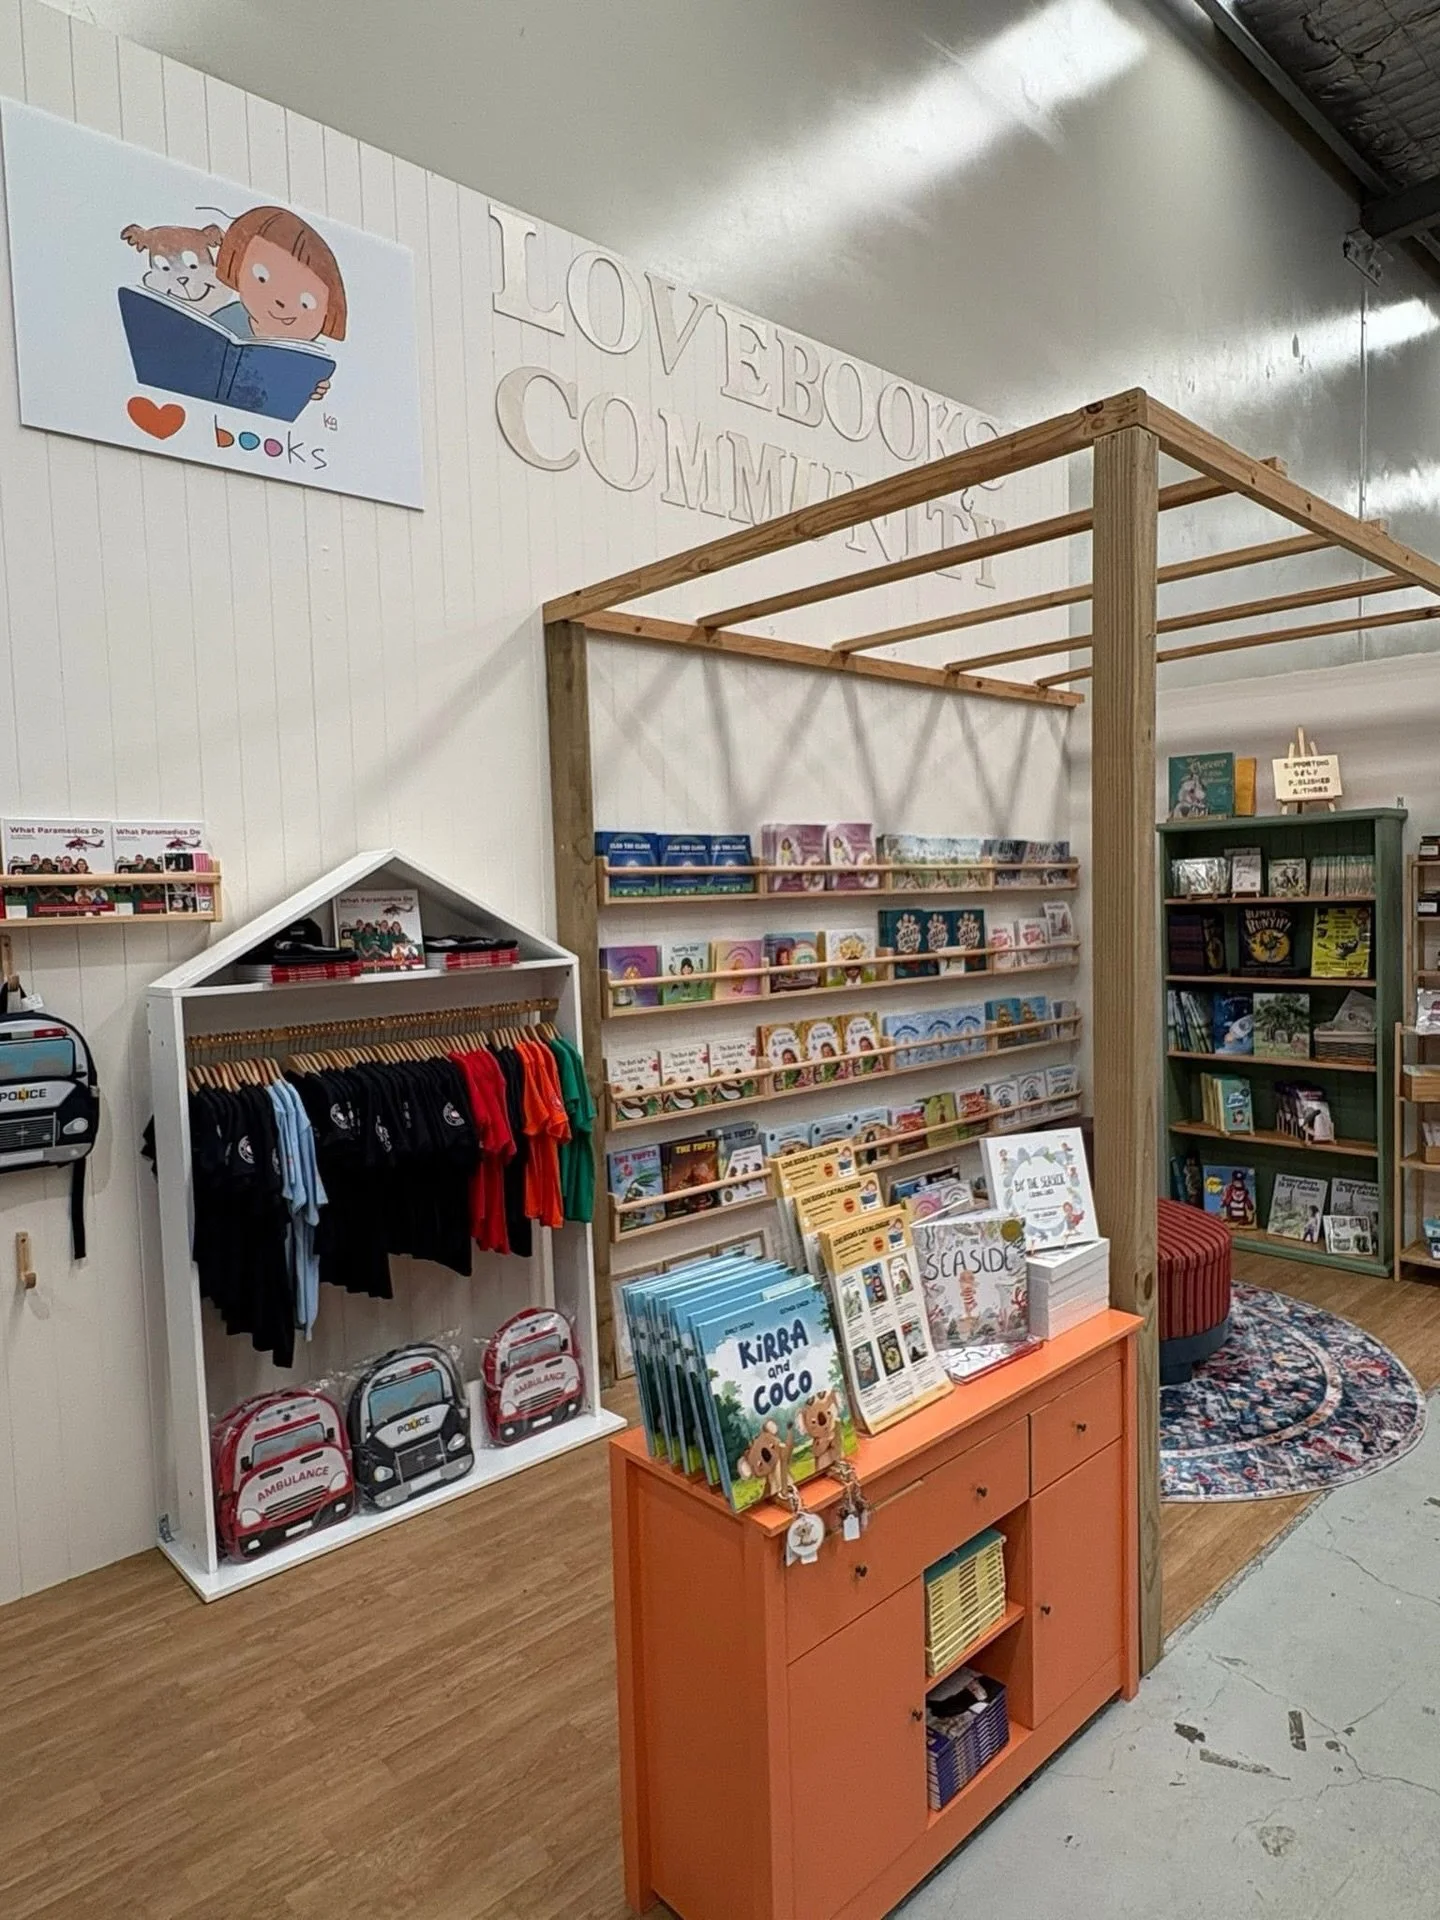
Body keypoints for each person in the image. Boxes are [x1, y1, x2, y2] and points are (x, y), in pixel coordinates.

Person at [210, 206, 347, 400]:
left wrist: (310, 388)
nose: (281, 301)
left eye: (305, 302)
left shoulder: (304, 354)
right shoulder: (226, 320)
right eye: (261, 277)